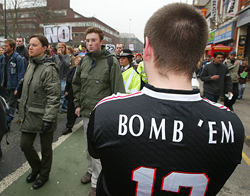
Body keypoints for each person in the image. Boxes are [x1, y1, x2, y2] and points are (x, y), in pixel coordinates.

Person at [87, 3, 244, 196]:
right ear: (199, 54)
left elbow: (98, 155)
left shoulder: (106, 112)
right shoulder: (232, 126)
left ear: (147, 48)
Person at [72, 26, 125, 196]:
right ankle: (90, 171)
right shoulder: (84, 61)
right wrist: (77, 104)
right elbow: (77, 84)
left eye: (93, 40)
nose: (90, 43)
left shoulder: (111, 61)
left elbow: (118, 91)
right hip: (87, 113)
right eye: (87, 40)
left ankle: (96, 182)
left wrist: (115, 115)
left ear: (102, 42)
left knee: (98, 151)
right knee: (89, 147)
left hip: (103, 115)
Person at [19, 34, 61, 190]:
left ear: (45, 48)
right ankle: (36, 168)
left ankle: (44, 175)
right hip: (29, 114)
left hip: (44, 116)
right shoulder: (30, 64)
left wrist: (49, 118)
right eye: (29, 44)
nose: (30, 47)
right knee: (25, 145)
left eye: (34, 45)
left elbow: (54, 95)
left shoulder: (49, 69)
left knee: (46, 149)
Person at [0, 39, 25, 114]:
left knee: (11, 106)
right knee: (3, 105)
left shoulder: (18, 58)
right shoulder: (2, 58)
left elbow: (21, 74)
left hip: (13, 87)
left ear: (12, 47)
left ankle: (7, 123)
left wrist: (18, 88)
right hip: (4, 86)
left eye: (6, 46)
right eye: (4, 46)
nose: (4, 47)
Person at [62, 55, 81, 135]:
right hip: (71, 91)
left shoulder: (83, 71)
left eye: (79, 60)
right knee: (70, 109)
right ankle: (69, 126)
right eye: (76, 60)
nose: (77, 62)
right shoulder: (72, 70)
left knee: (80, 109)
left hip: (80, 92)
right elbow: (68, 81)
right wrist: (66, 90)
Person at [54, 42, 70, 113]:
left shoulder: (67, 56)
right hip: (56, 78)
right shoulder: (55, 57)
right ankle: (64, 108)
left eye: (62, 47)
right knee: (56, 95)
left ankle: (56, 112)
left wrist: (61, 56)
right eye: (59, 47)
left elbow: (66, 65)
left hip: (63, 79)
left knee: (61, 96)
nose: (60, 49)